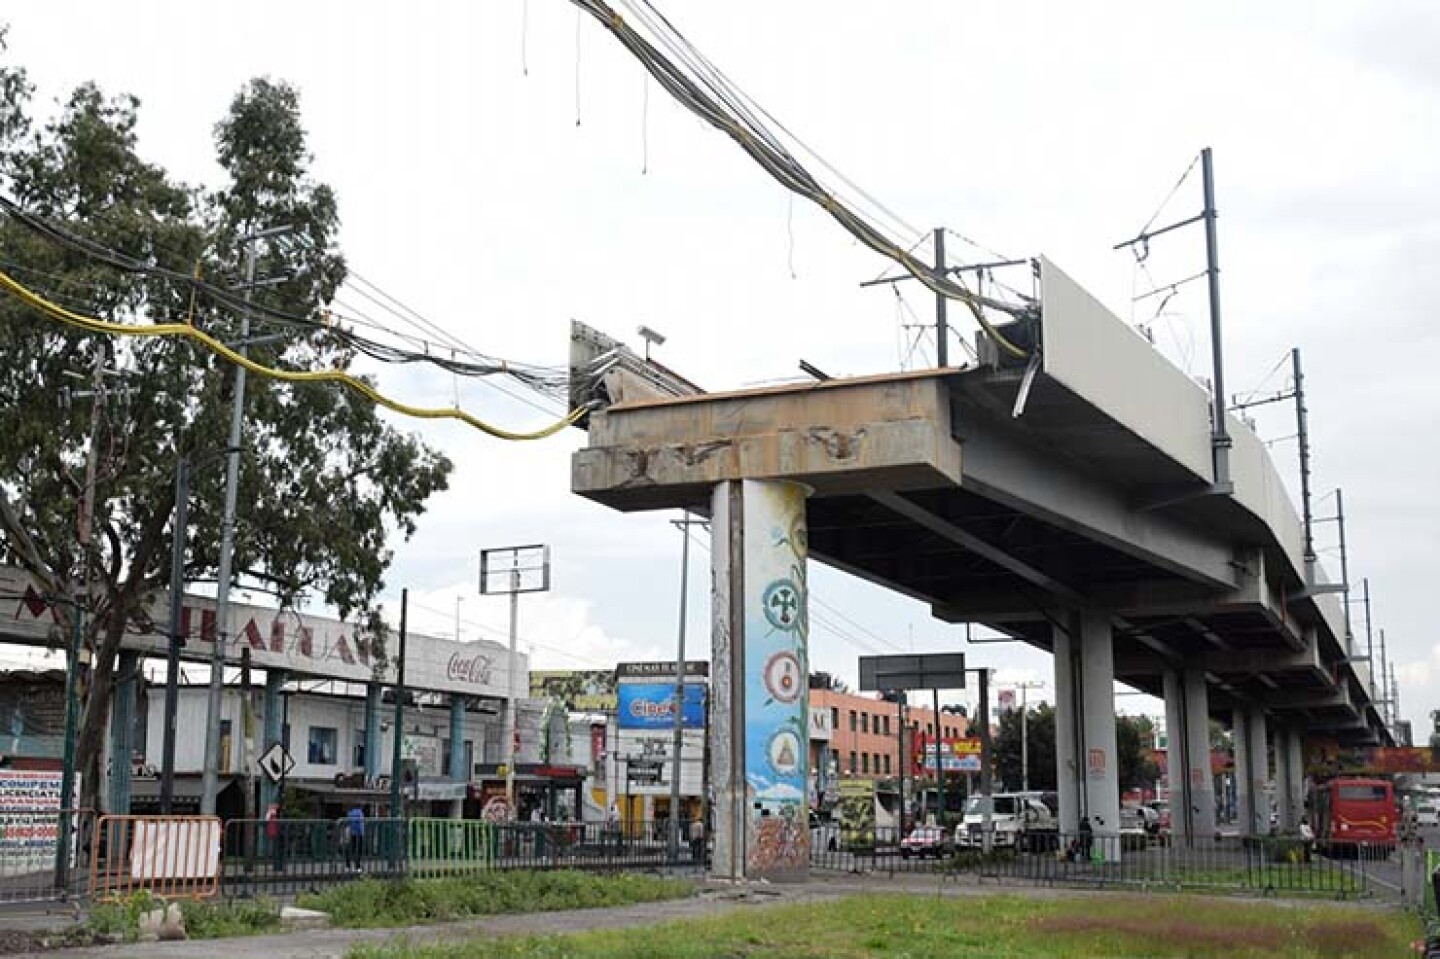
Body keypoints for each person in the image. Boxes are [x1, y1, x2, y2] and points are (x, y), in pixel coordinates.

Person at [344, 805, 365, 872]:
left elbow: (348, 823)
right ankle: (357, 866)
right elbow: (360, 824)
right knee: (358, 850)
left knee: (349, 849)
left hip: (351, 833)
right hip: (359, 833)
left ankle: (347, 866)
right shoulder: (360, 813)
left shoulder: (350, 813)